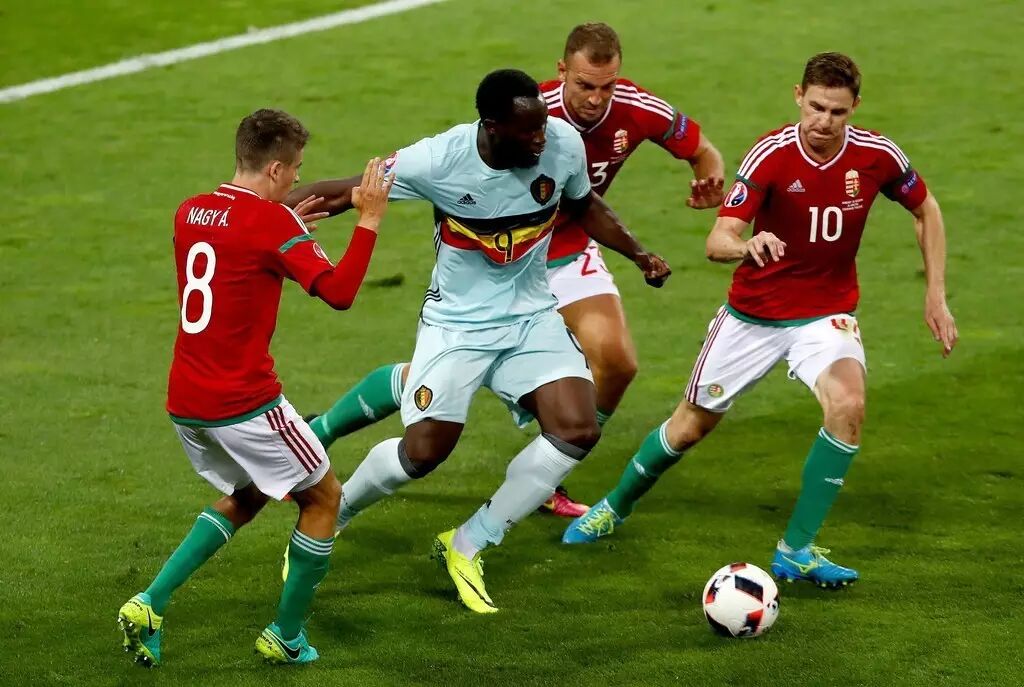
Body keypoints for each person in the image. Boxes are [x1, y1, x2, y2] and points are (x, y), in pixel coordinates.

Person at [563, 53, 958, 590]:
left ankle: (796, 551)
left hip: (826, 313)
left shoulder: (877, 155)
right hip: (754, 316)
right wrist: (747, 244)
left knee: (849, 406)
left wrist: (935, 294)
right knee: (689, 426)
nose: (823, 121)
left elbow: (926, 208)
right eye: (815, 107)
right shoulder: (772, 154)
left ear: (855, 108)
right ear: (799, 96)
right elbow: (717, 239)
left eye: (837, 112)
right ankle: (614, 505)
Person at [302, 22, 724, 519]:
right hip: (483, 283)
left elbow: (694, 156)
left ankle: (547, 472)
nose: (595, 99)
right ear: (562, 72)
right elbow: (361, 187)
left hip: (558, 258)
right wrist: (261, 213)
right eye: (585, 85)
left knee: (613, 368)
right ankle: (326, 439)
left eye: (607, 86)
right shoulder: (510, 115)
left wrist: (690, 202)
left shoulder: (608, 118)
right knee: (430, 419)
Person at [288, 69, 670, 613]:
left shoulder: (562, 144)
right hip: (457, 326)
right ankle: (334, 512)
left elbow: (585, 206)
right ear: (491, 126)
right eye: (529, 130)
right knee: (423, 453)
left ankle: (469, 542)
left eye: (543, 125)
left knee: (577, 429)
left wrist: (638, 253)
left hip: (531, 317)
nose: (541, 138)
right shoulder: (438, 160)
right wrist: (266, 221)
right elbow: (348, 189)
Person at [117, 108, 393, 666]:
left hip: (186, 399)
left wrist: (285, 226)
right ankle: (286, 637)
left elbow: (236, 252)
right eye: (295, 171)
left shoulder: (190, 211)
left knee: (252, 492)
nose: (297, 179)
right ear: (274, 169)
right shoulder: (272, 225)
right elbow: (339, 292)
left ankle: (150, 603)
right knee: (323, 498)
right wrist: (368, 219)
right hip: (242, 402)